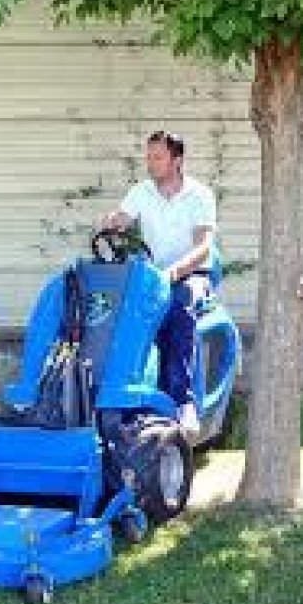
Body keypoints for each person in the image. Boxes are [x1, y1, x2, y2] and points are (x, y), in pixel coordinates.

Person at [101, 130, 216, 437]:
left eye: (157, 157)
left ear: (176, 160)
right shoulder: (141, 192)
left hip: (192, 275)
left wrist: (174, 273)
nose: (150, 163)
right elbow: (123, 217)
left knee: (180, 304)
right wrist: (113, 221)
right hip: (152, 277)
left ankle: (183, 402)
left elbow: (203, 248)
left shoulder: (200, 195)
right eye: (148, 157)